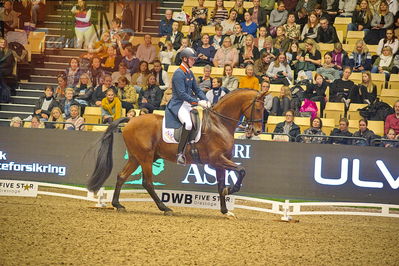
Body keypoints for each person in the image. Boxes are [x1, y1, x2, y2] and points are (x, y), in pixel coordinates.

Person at [164, 48, 210, 165]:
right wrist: (198, 102)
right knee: (188, 124)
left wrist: (205, 100)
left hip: (188, 103)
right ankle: (180, 153)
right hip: (178, 104)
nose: (194, 61)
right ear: (184, 59)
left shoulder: (189, 72)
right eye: (192, 59)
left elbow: (197, 89)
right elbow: (181, 94)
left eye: (194, 59)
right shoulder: (178, 73)